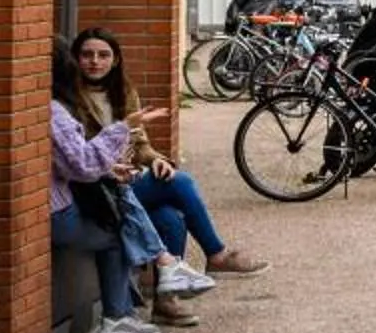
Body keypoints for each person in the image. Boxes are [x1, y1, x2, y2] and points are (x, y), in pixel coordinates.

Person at [68, 27, 265, 290]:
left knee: (170, 217)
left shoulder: (123, 91)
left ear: (115, 60)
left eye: (103, 55)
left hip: (125, 185)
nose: (95, 61)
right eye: (87, 55)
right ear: (75, 58)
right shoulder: (69, 100)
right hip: (95, 190)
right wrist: (110, 166)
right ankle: (216, 255)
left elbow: (139, 145)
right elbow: (76, 154)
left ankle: (167, 298)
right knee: (179, 184)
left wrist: (156, 161)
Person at [47, 46, 166, 333]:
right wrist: (124, 127)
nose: (91, 63)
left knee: (169, 208)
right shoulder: (53, 111)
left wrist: (109, 169)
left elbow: (69, 163)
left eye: (104, 55)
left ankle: (164, 283)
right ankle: (120, 316)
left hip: (58, 202)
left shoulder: (44, 107)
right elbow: (83, 164)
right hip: (57, 213)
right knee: (117, 234)